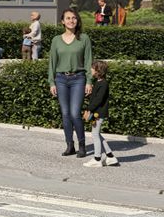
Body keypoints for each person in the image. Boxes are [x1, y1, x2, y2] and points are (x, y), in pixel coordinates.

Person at [47, 9, 93, 157]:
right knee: (65, 114)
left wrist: (89, 81)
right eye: (68, 18)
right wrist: (51, 82)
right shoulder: (56, 40)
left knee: (75, 113)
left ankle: (82, 145)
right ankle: (69, 145)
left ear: (77, 21)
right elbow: (52, 62)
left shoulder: (84, 38)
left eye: (74, 18)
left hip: (78, 79)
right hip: (61, 79)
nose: (71, 20)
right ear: (62, 21)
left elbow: (88, 61)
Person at [81, 59, 118, 167]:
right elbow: (96, 97)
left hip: (98, 113)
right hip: (96, 112)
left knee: (95, 135)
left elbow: (99, 100)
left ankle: (97, 159)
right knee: (97, 134)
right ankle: (110, 157)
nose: (90, 70)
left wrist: (89, 109)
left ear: (98, 71)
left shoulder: (103, 84)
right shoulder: (98, 82)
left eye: (92, 68)